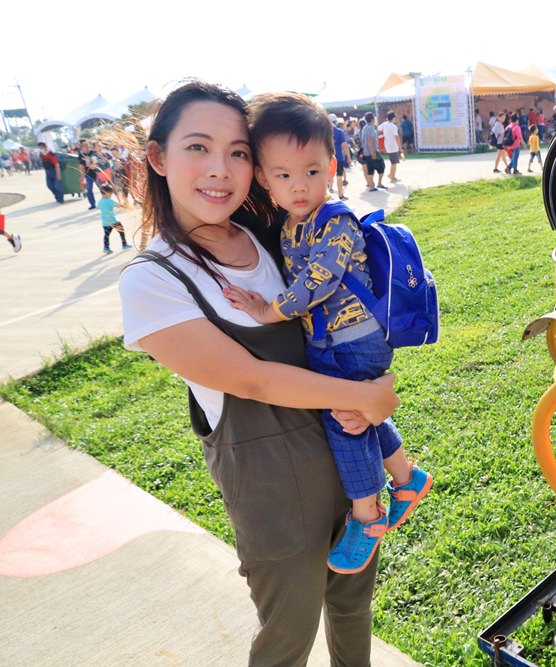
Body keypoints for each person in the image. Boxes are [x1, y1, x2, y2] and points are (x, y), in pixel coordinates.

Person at [118, 81, 400, 666]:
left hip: (349, 466)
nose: (220, 169)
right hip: (274, 496)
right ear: (159, 158)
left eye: (239, 153)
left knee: (352, 609)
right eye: (198, 147)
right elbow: (251, 379)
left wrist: (373, 387)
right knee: (287, 639)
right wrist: (367, 396)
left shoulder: (277, 237)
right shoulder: (153, 280)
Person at [221, 92, 433, 574]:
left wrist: (269, 310)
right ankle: (407, 478)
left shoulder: (336, 220)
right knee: (361, 413)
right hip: (330, 342)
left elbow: (320, 281)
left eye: (312, 172)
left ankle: (367, 515)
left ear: (332, 164)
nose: (300, 186)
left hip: (355, 339)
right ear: (263, 178)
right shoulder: (292, 225)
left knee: (346, 421)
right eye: (284, 175)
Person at [96, 184, 132, 254]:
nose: (111, 195)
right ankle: (124, 244)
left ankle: (106, 247)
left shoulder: (99, 202)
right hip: (113, 221)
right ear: (106, 193)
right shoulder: (109, 201)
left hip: (105, 222)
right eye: (111, 193)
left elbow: (99, 207)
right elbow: (119, 206)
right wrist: (126, 205)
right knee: (121, 231)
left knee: (106, 235)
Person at [360, 112, 385, 191]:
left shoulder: (364, 127)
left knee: (370, 170)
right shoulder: (370, 128)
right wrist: (373, 153)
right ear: (372, 119)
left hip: (366, 152)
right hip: (372, 151)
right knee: (381, 167)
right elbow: (370, 141)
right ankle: (379, 183)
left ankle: (371, 186)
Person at [77, 139, 103, 209]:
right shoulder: (81, 155)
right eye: (83, 147)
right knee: (89, 189)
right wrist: (82, 176)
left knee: (101, 188)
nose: (85, 148)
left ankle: (104, 201)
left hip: (96, 173)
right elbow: (81, 166)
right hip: (88, 174)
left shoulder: (93, 152)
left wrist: (93, 165)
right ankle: (92, 204)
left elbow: (97, 162)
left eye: (86, 146)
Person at [330, 115, 351, 200]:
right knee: (339, 176)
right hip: (338, 158)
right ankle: (340, 195)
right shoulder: (339, 132)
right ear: (336, 122)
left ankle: (328, 194)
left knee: (328, 176)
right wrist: (348, 157)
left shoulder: (323, 132)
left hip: (327, 158)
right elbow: (344, 145)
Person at [379, 111, 403, 184]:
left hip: (387, 145)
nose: (396, 119)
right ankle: (392, 177)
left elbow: (378, 129)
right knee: (394, 163)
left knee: (393, 162)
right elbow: (397, 137)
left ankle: (392, 176)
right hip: (393, 146)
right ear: (393, 118)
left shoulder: (384, 124)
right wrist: (400, 147)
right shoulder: (393, 126)